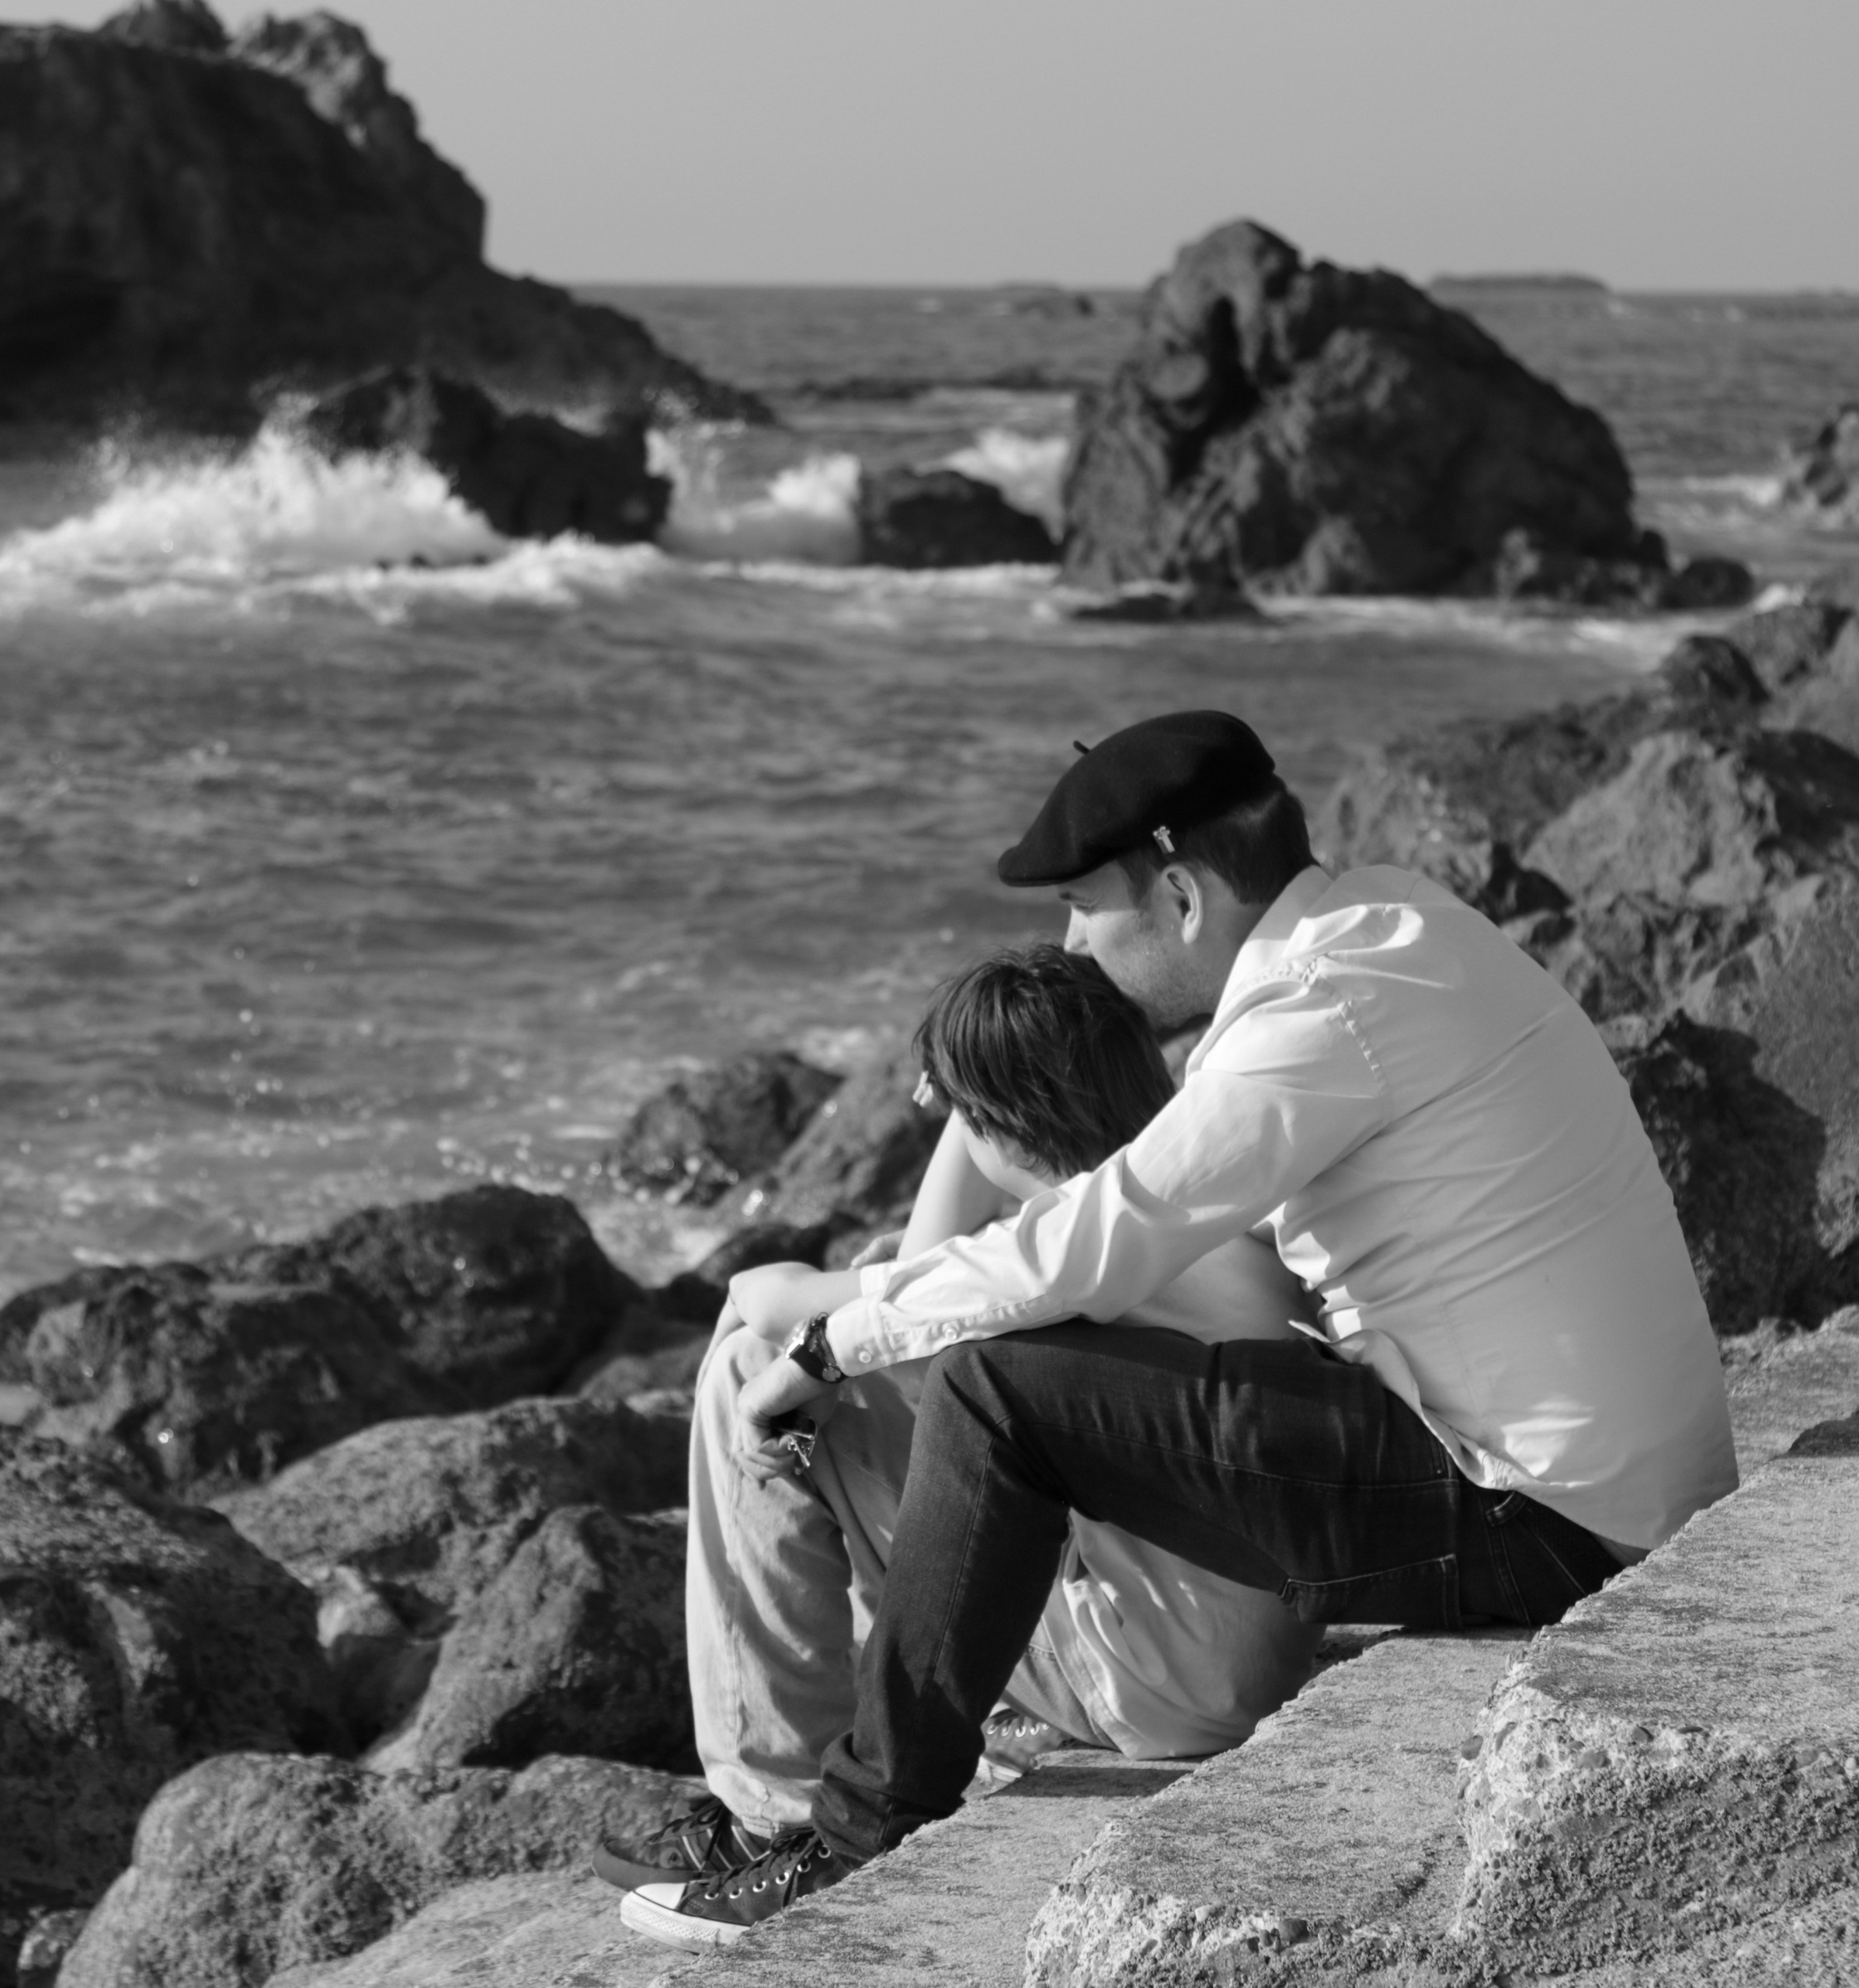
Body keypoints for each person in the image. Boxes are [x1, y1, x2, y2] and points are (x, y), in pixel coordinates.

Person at [619, 708, 1740, 1948]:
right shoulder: (1390, 925)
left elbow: (1109, 1228)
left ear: (1182, 895)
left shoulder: (1319, 1006)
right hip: (1584, 1488)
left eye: (1083, 913)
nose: (1070, 949)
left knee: (1005, 1390)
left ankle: (852, 1842)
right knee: (1021, 1367)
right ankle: (847, 1792)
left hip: (1540, 1521)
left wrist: (836, 1334)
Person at [596, 939, 1325, 1917]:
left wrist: (789, 1358)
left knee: (743, 1373)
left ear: (992, 1123)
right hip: (1244, 1645)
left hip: (1154, 1683)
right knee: (876, 1314)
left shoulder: (1042, 1258)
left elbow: (767, 1297)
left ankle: (770, 1811)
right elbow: (921, 1277)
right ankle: (919, 1734)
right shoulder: (1209, 1220)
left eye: (957, 1108)